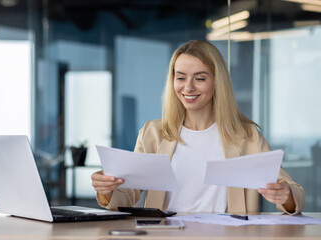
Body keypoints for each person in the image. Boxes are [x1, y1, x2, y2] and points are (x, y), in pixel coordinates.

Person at [91, 40, 305, 214]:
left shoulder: (246, 135)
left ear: (216, 82)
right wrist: (107, 190)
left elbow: (291, 190)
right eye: (181, 77)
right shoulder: (153, 133)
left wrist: (286, 196)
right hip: (165, 236)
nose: (188, 87)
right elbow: (129, 192)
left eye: (200, 78)